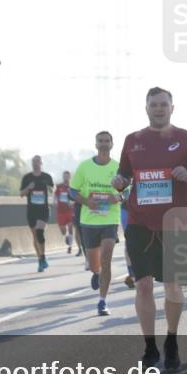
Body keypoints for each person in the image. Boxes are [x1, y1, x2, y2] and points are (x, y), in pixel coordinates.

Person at [112, 87, 187, 370]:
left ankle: (171, 338)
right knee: (143, 285)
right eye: (153, 105)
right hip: (139, 223)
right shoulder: (133, 140)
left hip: (175, 225)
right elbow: (124, 174)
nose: (159, 109)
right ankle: (150, 347)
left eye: (163, 104)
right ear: (146, 109)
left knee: (172, 286)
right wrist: (119, 182)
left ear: (172, 108)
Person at [70, 131, 121, 315]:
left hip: (110, 221)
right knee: (95, 264)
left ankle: (102, 301)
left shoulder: (118, 167)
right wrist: (86, 202)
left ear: (112, 144)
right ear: (96, 144)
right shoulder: (84, 167)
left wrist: (119, 197)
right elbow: (72, 191)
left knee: (106, 259)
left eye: (107, 141)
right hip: (89, 222)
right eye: (101, 141)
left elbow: (129, 191)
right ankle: (96, 273)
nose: (104, 144)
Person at [19, 155, 54, 272]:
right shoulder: (27, 178)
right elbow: (21, 194)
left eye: (37, 162)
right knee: (35, 237)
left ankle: (43, 257)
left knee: (40, 232)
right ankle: (40, 260)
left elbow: (53, 190)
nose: (35, 164)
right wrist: (28, 188)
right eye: (33, 162)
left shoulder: (46, 177)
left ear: (41, 163)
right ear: (32, 164)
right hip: (31, 210)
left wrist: (50, 189)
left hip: (43, 210)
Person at [54, 171, 76, 254]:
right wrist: (55, 202)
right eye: (65, 176)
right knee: (63, 231)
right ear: (63, 177)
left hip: (69, 210)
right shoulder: (59, 186)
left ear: (69, 177)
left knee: (70, 226)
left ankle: (70, 246)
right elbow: (56, 196)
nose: (66, 178)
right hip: (60, 210)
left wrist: (72, 203)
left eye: (68, 176)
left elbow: (75, 197)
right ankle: (66, 236)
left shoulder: (72, 187)